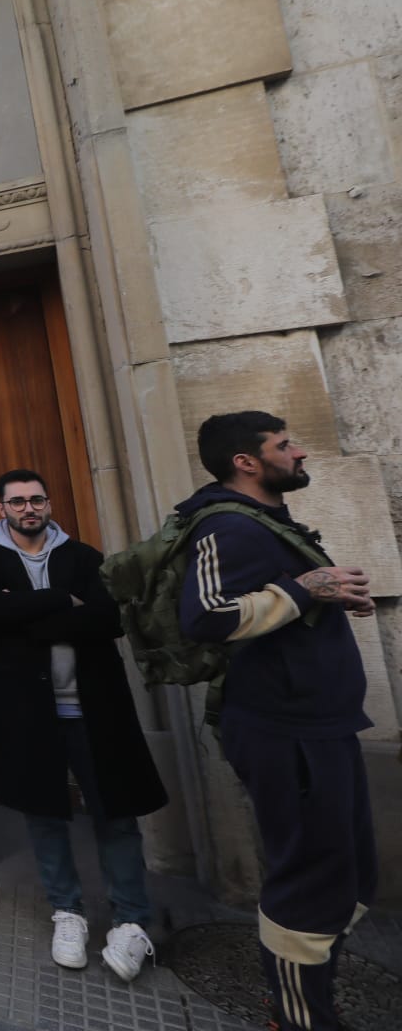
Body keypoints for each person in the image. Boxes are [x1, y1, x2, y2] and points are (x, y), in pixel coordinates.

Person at [178, 412, 377, 1030]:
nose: (301, 452)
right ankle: (299, 1018)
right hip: (282, 732)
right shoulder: (224, 526)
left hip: (323, 724)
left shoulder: (270, 522)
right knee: (310, 876)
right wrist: (304, 589)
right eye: (285, 445)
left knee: (348, 873)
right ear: (246, 461)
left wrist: (324, 593)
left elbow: (282, 599)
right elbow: (206, 615)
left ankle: (309, 1001)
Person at [0, 469, 165, 979]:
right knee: (44, 812)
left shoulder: (84, 556)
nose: (28, 509)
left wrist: (26, 614)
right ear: (1, 508)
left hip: (93, 706)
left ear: (49, 503)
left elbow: (108, 620)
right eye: (17, 502)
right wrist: (61, 601)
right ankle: (67, 911)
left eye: (36, 499)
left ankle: (131, 921)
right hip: (29, 709)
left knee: (115, 812)